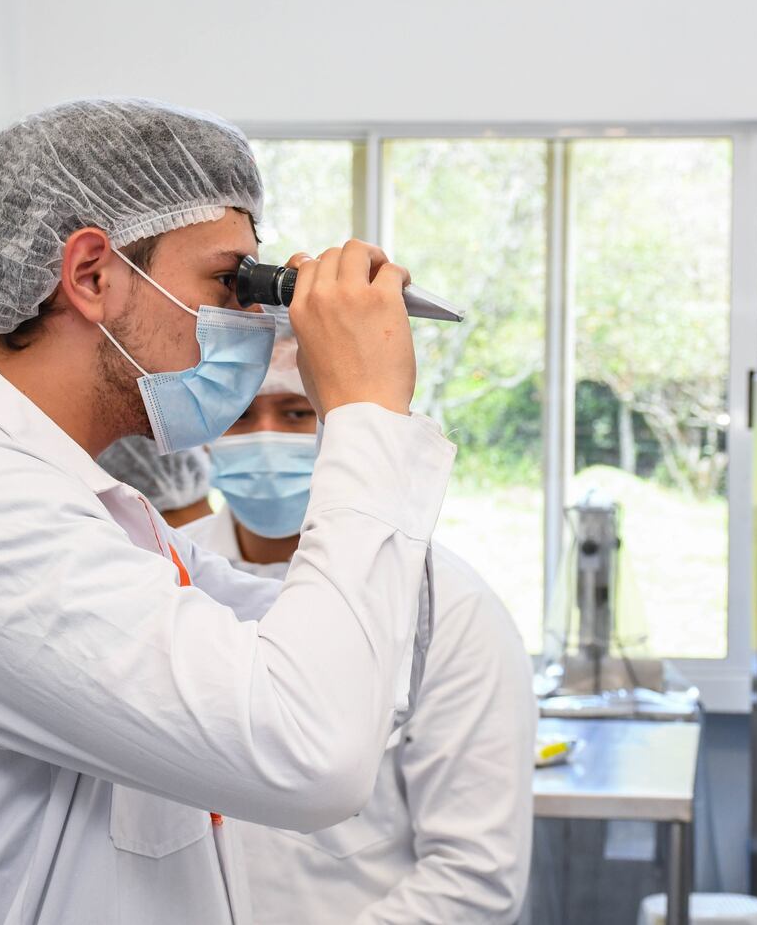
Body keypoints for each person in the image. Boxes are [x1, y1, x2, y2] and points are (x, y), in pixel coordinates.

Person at [0, 98, 456, 924]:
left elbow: (366, 652)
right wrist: (364, 415)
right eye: (227, 280)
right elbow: (312, 751)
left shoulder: (74, 500)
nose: (252, 319)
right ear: (92, 275)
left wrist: (354, 410)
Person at [98, 326, 537, 924]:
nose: (265, 437)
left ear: (345, 427)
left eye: (297, 411)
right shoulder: (160, 572)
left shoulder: (446, 605)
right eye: (241, 413)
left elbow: (476, 876)